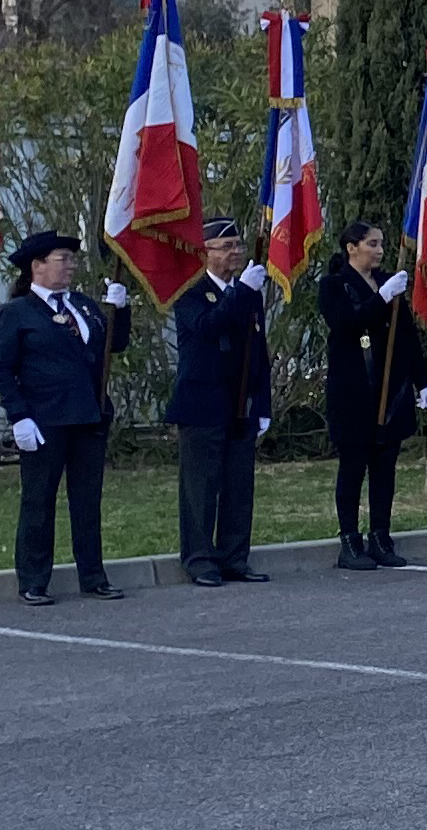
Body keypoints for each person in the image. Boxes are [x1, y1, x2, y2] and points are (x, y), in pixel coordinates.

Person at [0, 231, 131, 604]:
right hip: (44, 420)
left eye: (72, 259)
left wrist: (120, 310)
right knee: (39, 500)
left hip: (88, 415)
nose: (70, 266)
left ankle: (93, 575)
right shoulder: (17, 313)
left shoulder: (82, 306)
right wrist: (18, 416)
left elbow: (113, 344)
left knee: (87, 500)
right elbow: (4, 369)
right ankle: (34, 579)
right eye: (62, 259)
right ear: (37, 267)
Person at [316, 219, 427, 569]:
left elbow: (406, 336)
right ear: (351, 247)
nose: (379, 250)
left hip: (390, 390)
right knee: (353, 467)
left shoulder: (387, 283)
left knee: (385, 470)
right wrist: (381, 299)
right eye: (371, 243)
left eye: (381, 243)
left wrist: (423, 380)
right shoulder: (334, 285)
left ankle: (380, 536)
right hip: (354, 391)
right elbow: (346, 324)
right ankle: (349, 541)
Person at [165, 217, 272, 586]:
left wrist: (263, 405)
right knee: (201, 487)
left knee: (239, 486)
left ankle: (234, 556)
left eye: (239, 246)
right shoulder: (190, 291)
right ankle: (199, 558)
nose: (236, 253)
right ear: (204, 252)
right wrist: (241, 292)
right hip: (203, 402)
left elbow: (258, 351)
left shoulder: (248, 290)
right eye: (226, 247)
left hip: (241, 402)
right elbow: (209, 328)